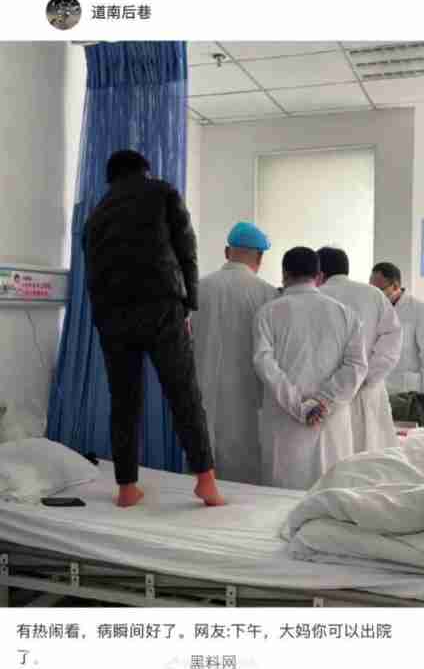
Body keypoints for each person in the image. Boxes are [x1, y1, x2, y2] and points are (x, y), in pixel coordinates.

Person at [82, 150, 224, 507]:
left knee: (123, 402)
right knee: (183, 394)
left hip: (113, 317)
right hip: (161, 306)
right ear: (144, 170)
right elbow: (186, 250)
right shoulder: (162, 193)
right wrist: (188, 306)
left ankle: (127, 488)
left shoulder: (96, 216)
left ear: (110, 178)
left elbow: (92, 277)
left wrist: (104, 321)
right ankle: (206, 482)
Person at [253, 247, 367, 490]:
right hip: (330, 421)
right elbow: (356, 366)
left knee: (279, 501)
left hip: (285, 424)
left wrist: (300, 406)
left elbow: (264, 364)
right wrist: (322, 402)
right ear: (319, 276)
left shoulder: (268, 312)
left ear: (285, 274)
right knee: (329, 496)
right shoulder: (345, 314)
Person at [191, 221, 277, 484]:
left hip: (201, 386)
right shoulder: (268, 294)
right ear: (260, 258)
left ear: (227, 252)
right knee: (244, 468)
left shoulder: (198, 288)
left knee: (201, 461)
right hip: (247, 393)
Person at [318, 247, 402, 453]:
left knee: (334, 455)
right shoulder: (374, 294)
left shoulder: (317, 296)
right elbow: (392, 340)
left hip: (328, 392)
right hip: (367, 389)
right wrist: (365, 376)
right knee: (370, 455)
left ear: (319, 272)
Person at [370, 262, 424, 395]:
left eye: (379, 290)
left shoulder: (418, 309)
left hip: (406, 390)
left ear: (395, 286)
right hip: (377, 387)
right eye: (371, 289)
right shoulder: (372, 308)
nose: (374, 294)